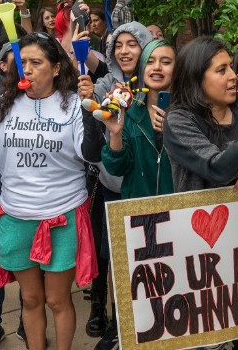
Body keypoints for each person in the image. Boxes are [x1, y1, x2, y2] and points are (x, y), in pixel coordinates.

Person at [0, 32, 96, 350]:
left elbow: (91, 154)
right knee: (31, 298)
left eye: (37, 62)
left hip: (62, 216)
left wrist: (90, 111)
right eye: (24, 63)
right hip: (16, 217)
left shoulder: (74, 105)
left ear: (58, 68)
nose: (29, 69)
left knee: (57, 299)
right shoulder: (3, 105)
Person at [163, 36, 238, 350]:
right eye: (221, 69)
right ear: (196, 79)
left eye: (231, 66)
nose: (234, 75)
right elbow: (217, 169)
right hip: (205, 262)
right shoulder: (179, 121)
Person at [78, 21, 152, 349]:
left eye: (132, 44)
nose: (124, 50)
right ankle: (116, 318)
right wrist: (87, 106)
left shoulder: (157, 84)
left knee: (148, 257)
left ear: (145, 47)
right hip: (113, 185)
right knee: (113, 254)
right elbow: (90, 144)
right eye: (118, 45)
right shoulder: (103, 84)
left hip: (151, 185)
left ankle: (147, 317)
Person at [85, 39, 175, 199]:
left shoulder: (188, 114)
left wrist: (175, 131)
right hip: (138, 213)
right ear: (141, 70)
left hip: (181, 211)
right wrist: (116, 134)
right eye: (150, 62)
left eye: (166, 62)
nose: (157, 67)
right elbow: (117, 168)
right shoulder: (129, 111)